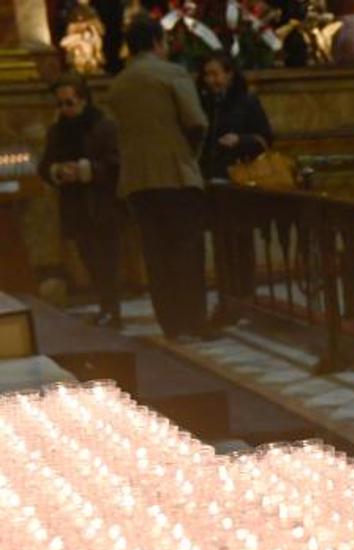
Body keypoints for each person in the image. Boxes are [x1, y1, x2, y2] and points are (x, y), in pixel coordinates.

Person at [107, 13, 209, 342]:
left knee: (155, 253)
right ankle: (194, 320)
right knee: (186, 249)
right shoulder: (171, 73)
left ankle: (171, 324)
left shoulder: (119, 83)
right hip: (174, 174)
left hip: (137, 179)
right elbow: (195, 121)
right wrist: (189, 156)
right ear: (156, 42)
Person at [38, 73, 123, 326]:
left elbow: (116, 162)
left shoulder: (103, 126)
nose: (65, 108)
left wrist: (86, 170)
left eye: (69, 102)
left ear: (83, 100)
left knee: (107, 258)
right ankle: (105, 304)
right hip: (75, 203)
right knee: (88, 256)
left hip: (102, 202)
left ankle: (112, 308)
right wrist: (58, 171)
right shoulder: (57, 131)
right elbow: (44, 165)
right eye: (60, 104)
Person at [198, 52, 273, 181]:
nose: (209, 80)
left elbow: (266, 138)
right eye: (206, 75)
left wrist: (240, 140)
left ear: (229, 75)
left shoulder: (246, 101)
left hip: (237, 173)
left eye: (215, 74)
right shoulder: (202, 101)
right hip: (205, 173)